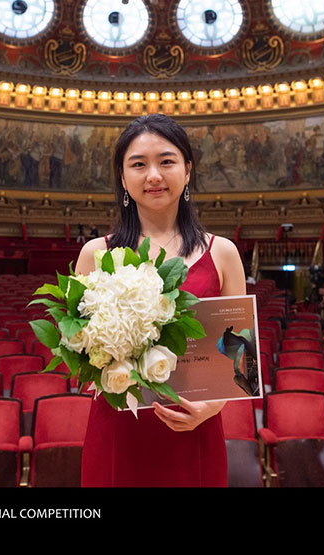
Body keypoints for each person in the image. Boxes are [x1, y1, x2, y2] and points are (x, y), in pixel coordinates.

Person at [75, 113, 246, 487]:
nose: (153, 175)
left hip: (195, 427)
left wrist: (210, 408)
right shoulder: (93, 253)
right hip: (119, 426)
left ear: (187, 171)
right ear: (123, 178)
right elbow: (80, 350)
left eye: (166, 161)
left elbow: (240, 356)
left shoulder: (223, 253)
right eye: (138, 164)